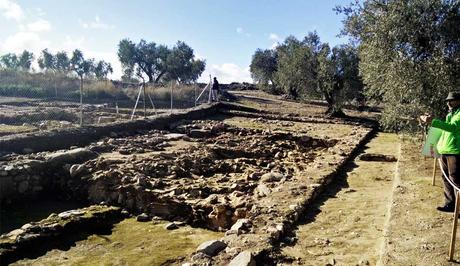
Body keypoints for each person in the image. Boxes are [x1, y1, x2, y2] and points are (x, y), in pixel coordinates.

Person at [420, 91, 460, 212]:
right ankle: (450, 204)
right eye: (448, 101)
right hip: (444, 150)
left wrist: (433, 121)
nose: (449, 103)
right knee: (445, 177)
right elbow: (444, 130)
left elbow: (452, 128)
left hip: (455, 151)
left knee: (455, 179)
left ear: (459, 101)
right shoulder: (450, 114)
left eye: (451, 100)